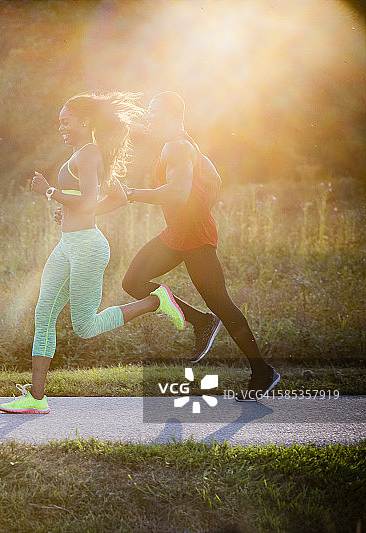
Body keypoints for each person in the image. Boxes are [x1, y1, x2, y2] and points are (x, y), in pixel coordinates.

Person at [0, 92, 186, 414]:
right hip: (68, 244)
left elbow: (85, 201)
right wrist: (68, 211)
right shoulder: (86, 155)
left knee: (84, 327)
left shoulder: (88, 155)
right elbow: (101, 200)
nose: (61, 128)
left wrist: (49, 192)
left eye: (65, 122)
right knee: (44, 315)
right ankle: (37, 397)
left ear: (83, 121)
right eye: (60, 123)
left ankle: (156, 301)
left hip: (87, 248)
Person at [120, 91, 279, 402]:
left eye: (154, 112)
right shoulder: (186, 144)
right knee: (134, 282)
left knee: (221, 302)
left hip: (193, 237)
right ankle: (202, 321)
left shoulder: (176, 146)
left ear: (171, 114)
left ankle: (262, 372)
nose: (149, 117)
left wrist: (132, 193)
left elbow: (178, 192)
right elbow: (214, 177)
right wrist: (202, 205)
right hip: (178, 232)